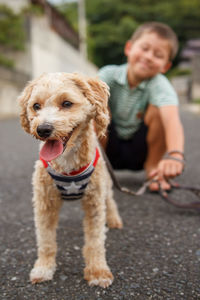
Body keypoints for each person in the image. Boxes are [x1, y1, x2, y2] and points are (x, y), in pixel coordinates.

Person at [98, 22, 184, 191]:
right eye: (144, 48)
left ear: (165, 66)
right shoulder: (108, 74)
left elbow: (172, 119)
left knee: (160, 110)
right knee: (95, 106)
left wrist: (175, 155)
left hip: (142, 149)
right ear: (129, 48)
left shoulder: (159, 84)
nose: (149, 56)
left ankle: (153, 170)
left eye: (158, 55)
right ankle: (93, 168)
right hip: (106, 146)